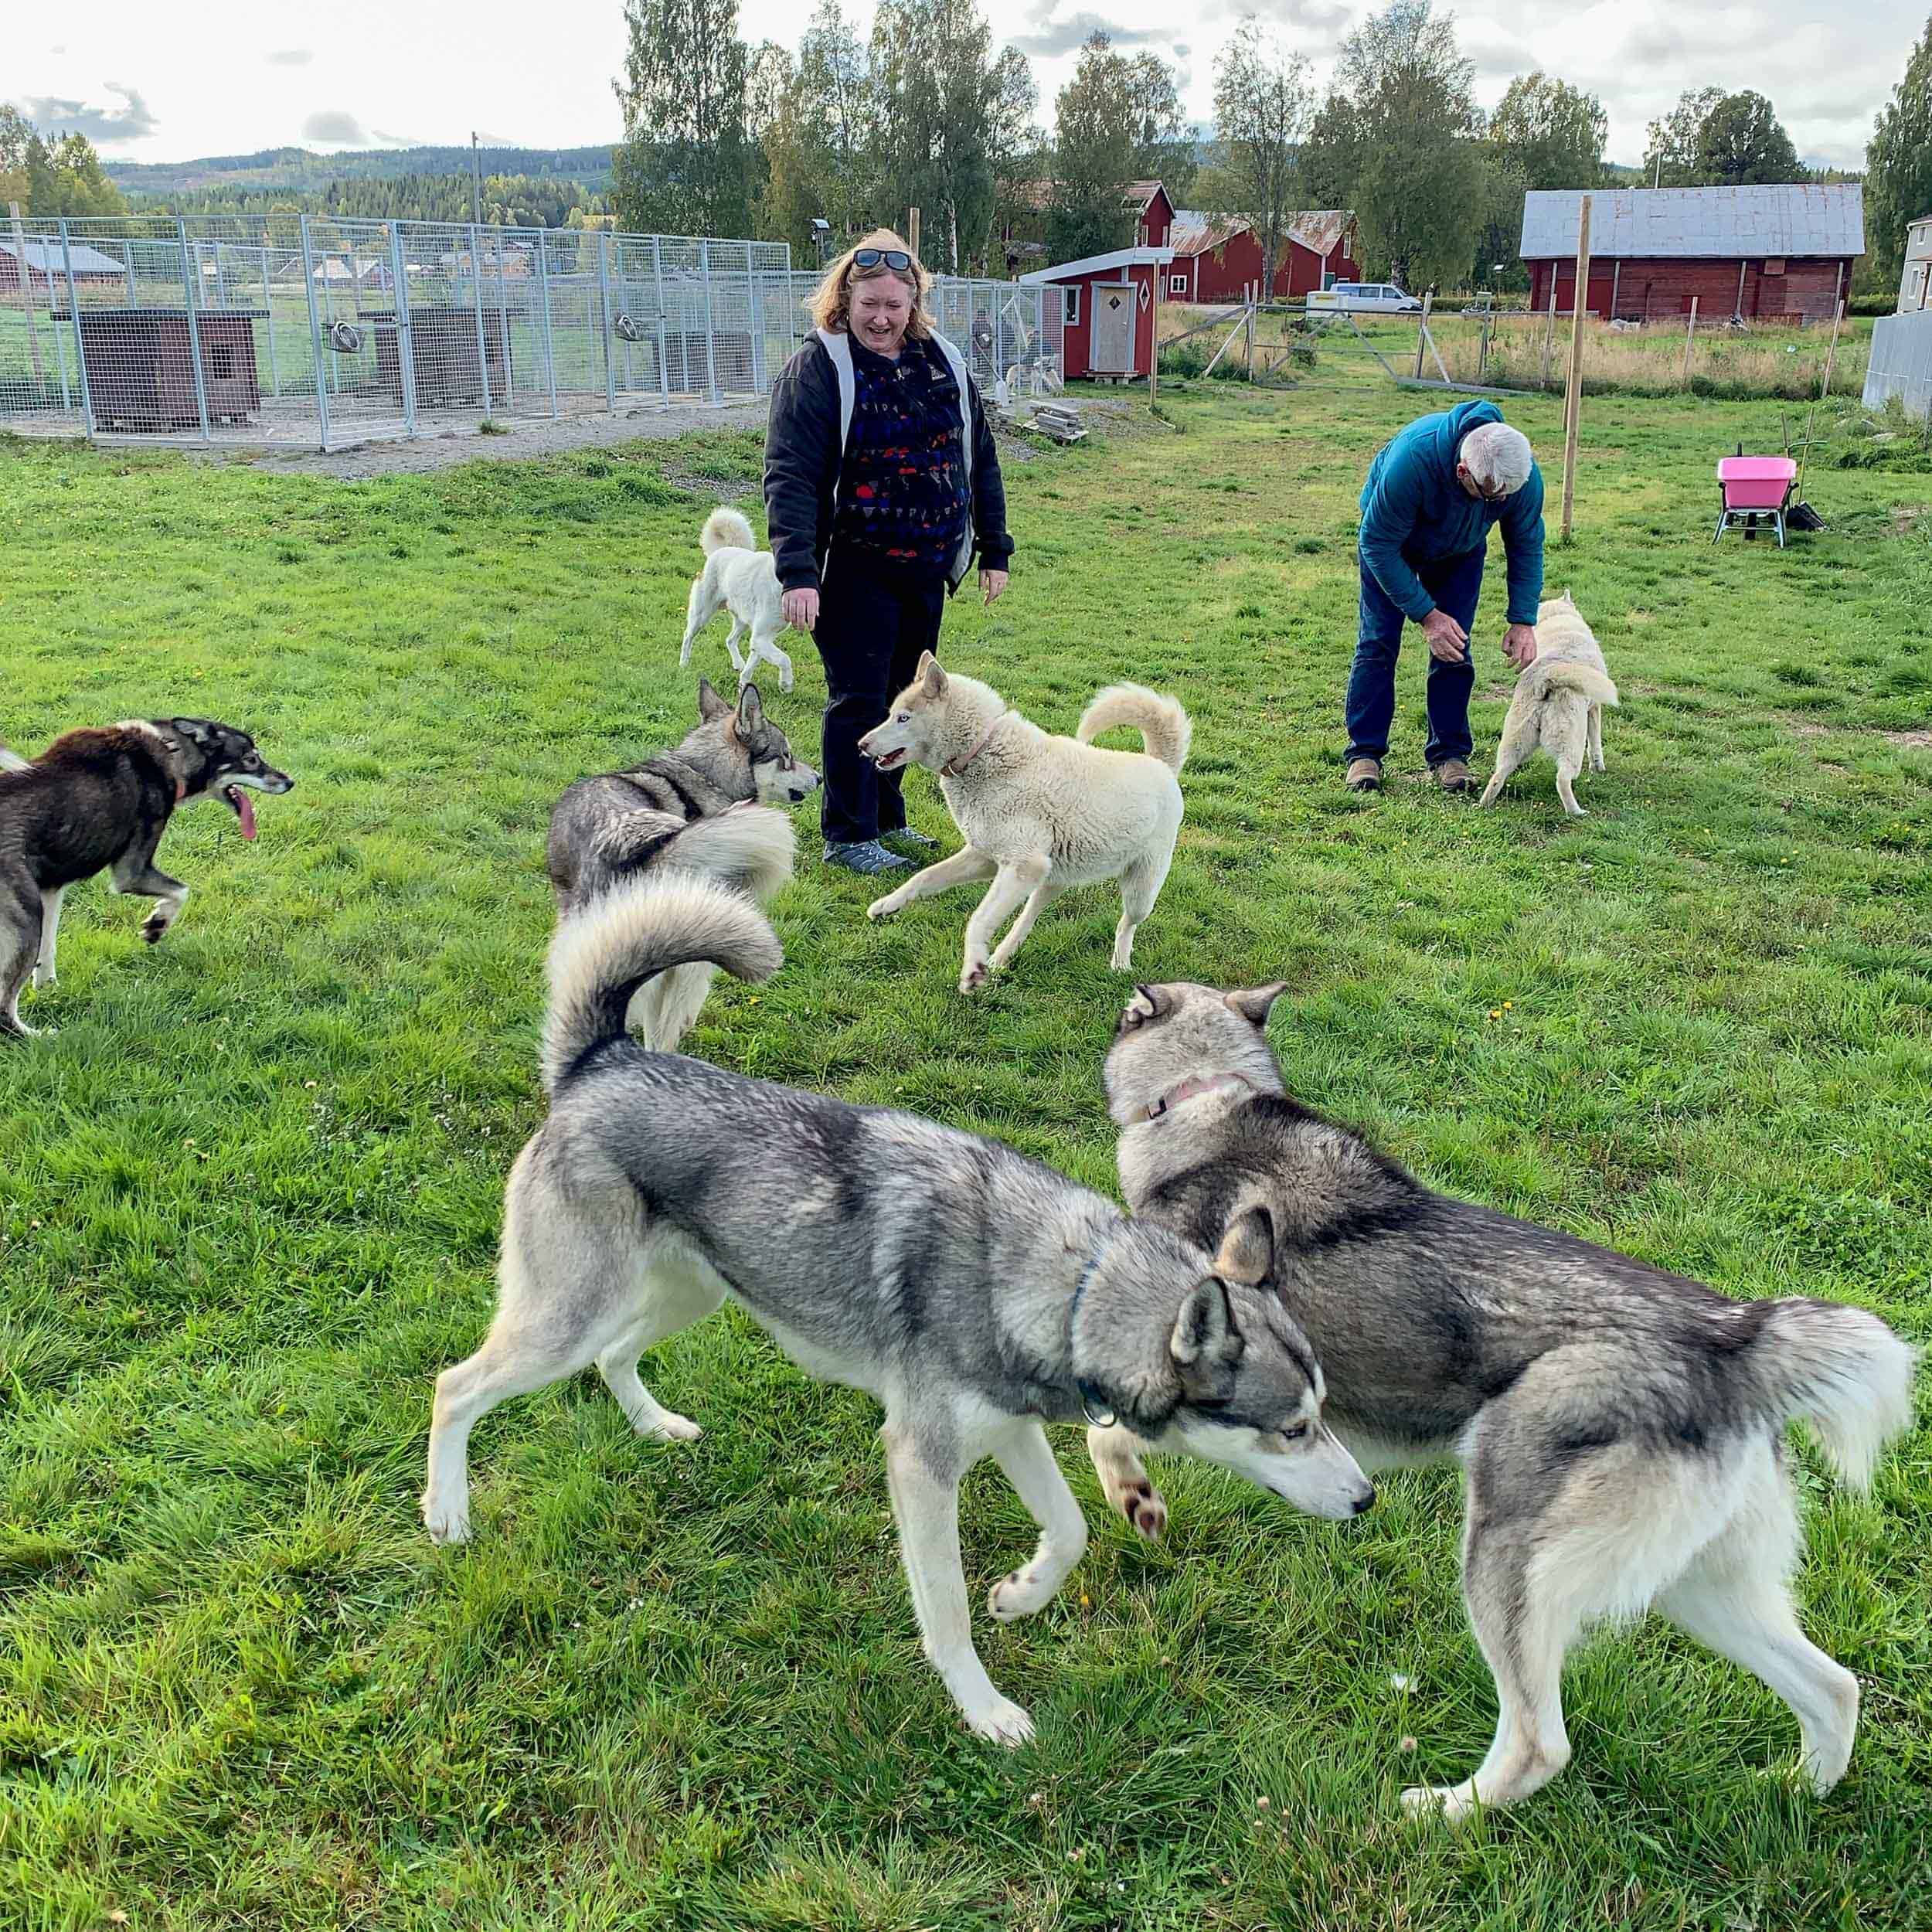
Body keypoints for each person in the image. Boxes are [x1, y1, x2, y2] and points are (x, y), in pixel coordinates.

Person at [764, 231, 1013, 874]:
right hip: (852, 568)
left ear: (915, 302)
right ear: (844, 298)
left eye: (894, 305)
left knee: (908, 705)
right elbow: (789, 474)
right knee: (860, 700)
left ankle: (888, 821)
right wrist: (797, 573)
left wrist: (994, 547)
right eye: (868, 303)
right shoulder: (819, 367)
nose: (881, 317)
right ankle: (848, 834)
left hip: (927, 567)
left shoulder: (943, 362)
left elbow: (978, 456)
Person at [1345, 400, 1543, 794]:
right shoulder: (1413, 459)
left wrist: (1523, 620)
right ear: (1462, 472)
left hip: (1460, 551)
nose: (1499, 503)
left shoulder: (1516, 476)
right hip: (1391, 546)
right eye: (1489, 496)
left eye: (1507, 496)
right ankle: (1365, 754)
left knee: (1455, 647)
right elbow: (1377, 542)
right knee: (1378, 643)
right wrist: (1427, 616)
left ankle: (1450, 755)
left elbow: (1527, 542)